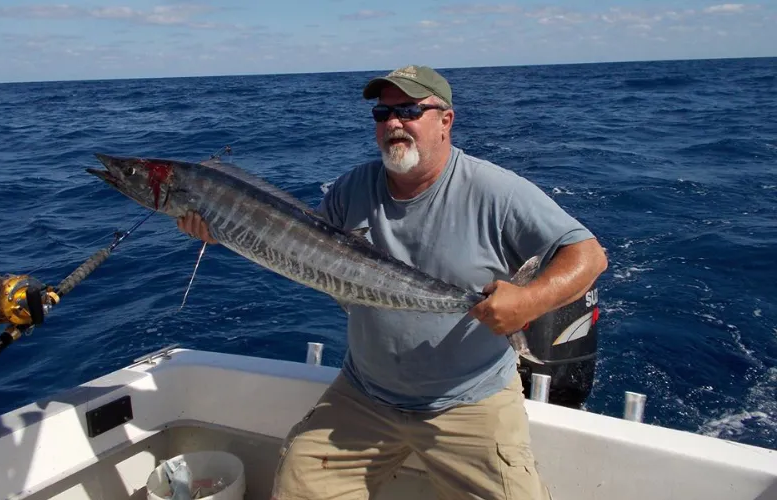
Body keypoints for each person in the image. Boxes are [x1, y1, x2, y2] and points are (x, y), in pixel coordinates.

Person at [178, 65, 608, 500]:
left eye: (408, 110)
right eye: (382, 114)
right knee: (296, 488)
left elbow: (588, 256)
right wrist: (224, 227)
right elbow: (301, 251)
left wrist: (529, 302)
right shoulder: (350, 189)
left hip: (469, 401)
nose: (393, 124)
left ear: (446, 121)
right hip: (365, 395)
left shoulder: (496, 191)